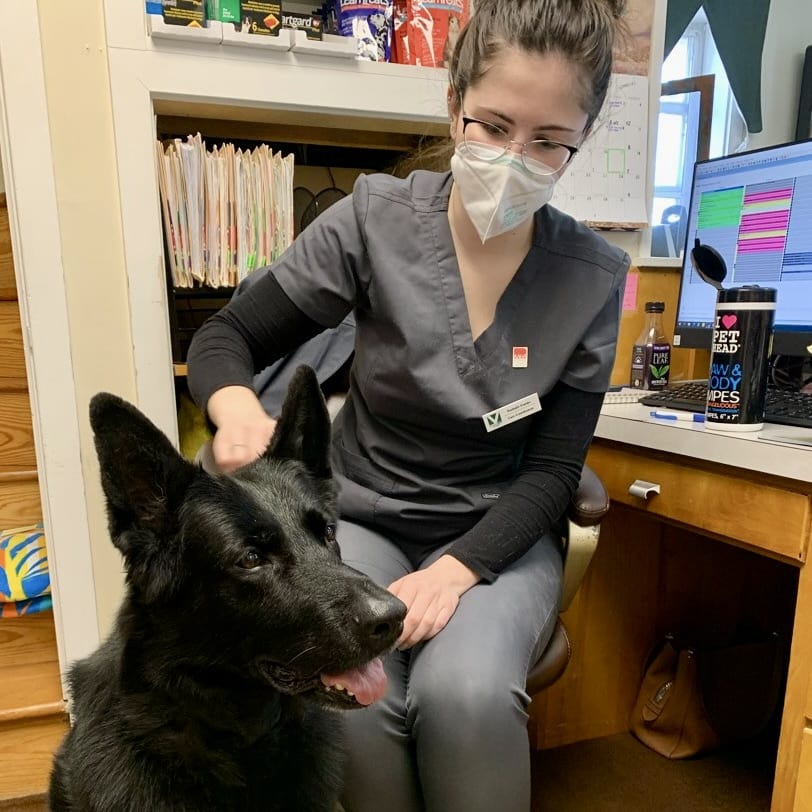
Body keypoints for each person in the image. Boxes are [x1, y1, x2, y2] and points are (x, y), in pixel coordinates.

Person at [186, 1, 630, 809]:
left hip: (498, 526)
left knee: (465, 695)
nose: (513, 158)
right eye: (492, 126)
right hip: (364, 515)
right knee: (353, 688)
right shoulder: (374, 221)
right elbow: (227, 338)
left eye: (548, 143)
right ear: (453, 103)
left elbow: (557, 469)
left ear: (580, 141)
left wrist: (457, 572)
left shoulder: (593, 276)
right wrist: (236, 411)